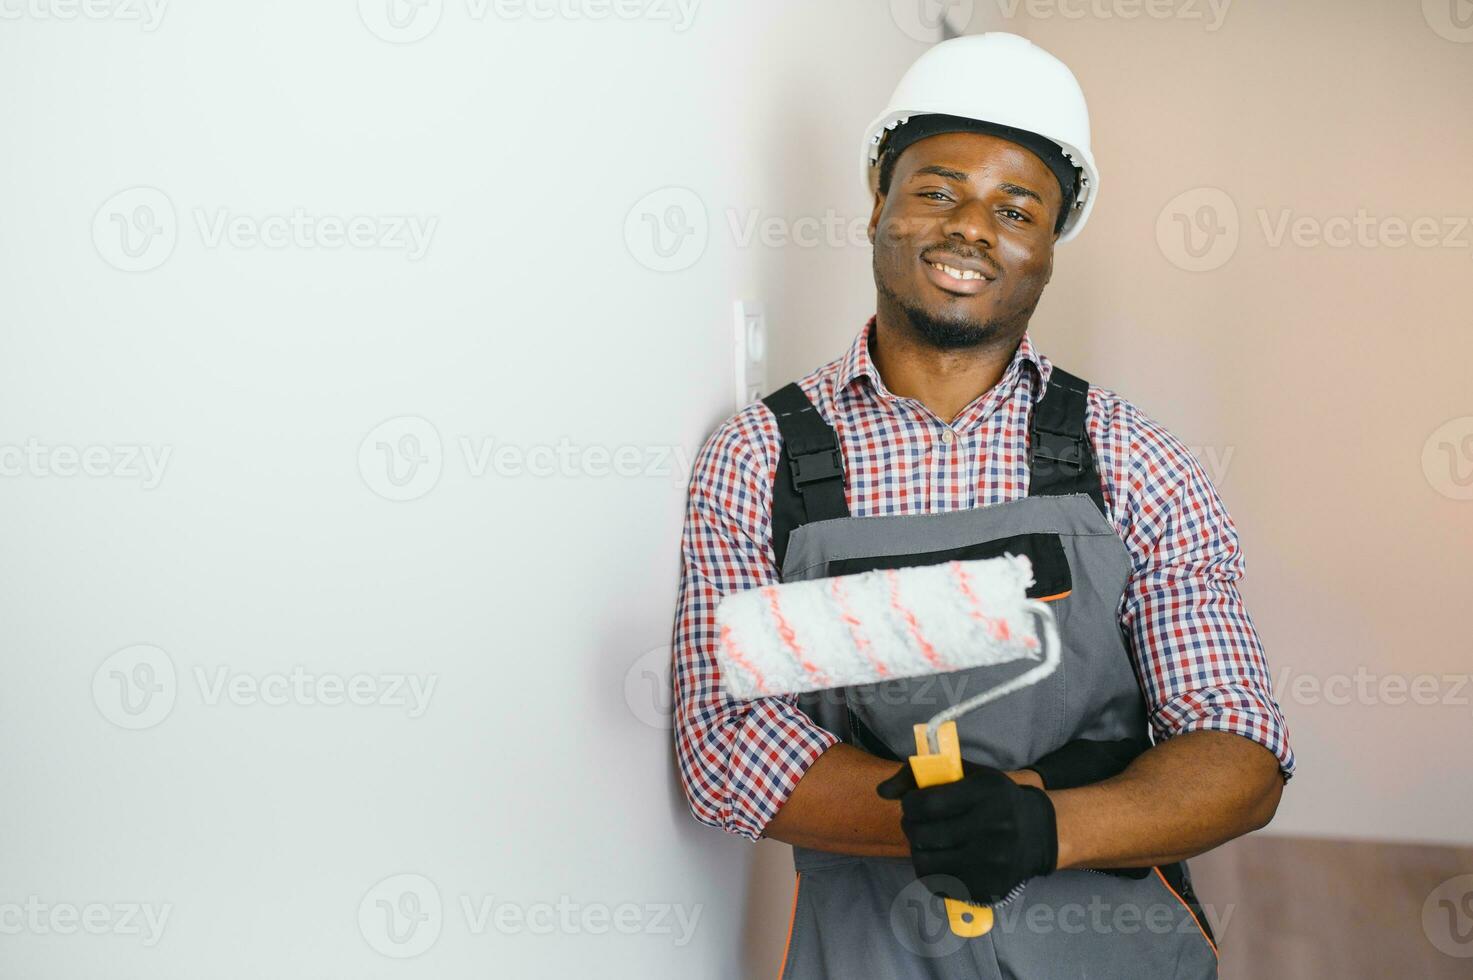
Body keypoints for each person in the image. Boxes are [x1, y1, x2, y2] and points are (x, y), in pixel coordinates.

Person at [671, 32, 1292, 979]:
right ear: (878, 201)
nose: (970, 227)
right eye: (936, 190)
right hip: (869, 953)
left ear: (1046, 247)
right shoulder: (757, 460)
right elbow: (726, 748)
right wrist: (970, 811)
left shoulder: (1133, 461)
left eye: (1016, 208)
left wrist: (1045, 826)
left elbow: (1238, 748)